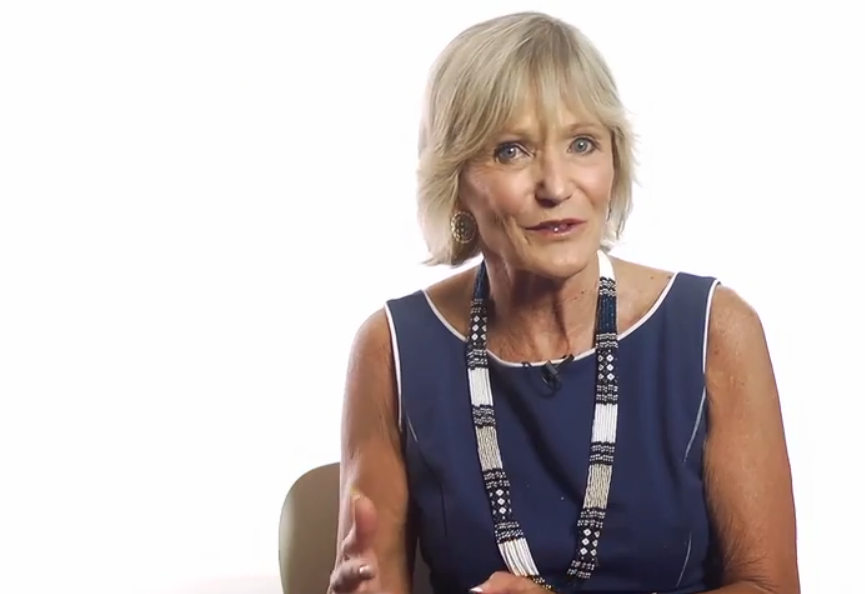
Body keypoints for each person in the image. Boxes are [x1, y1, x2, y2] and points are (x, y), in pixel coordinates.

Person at [330, 11, 799, 594]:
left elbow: (770, 587)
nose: (555, 185)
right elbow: (376, 579)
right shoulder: (390, 348)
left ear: (614, 161)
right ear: (455, 180)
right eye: (511, 151)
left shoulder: (715, 328)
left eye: (582, 144)